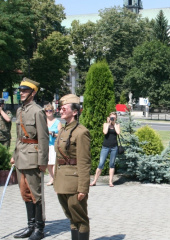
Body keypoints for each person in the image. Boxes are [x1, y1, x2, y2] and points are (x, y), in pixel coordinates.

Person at [10, 78, 49, 240]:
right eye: (20, 91)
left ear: (33, 93)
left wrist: (42, 161)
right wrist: (14, 155)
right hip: (21, 157)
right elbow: (19, 137)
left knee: (36, 194)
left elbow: (43, 138)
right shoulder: (20, 111)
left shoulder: (37, 111)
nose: (21, 93)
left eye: (25, 91)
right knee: (25, 193)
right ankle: (30, 226)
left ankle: (39, 229)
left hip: (33, 158)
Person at [53, 94, 91, 240]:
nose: (61, 110)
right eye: (60, 108)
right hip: (62, 181)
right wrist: (56, 181)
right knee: (71, 218)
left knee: (80, 219)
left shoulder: (81, 132)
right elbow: (58, 159)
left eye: (64, 108)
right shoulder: (63, 130)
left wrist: (83, 187)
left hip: (74, 182)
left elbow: (84, 162)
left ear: (75, 112)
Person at [90, 112, 121, 187]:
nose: (112, 119)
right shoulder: (105, 124)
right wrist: (108, 123)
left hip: (114, 147)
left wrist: (114, 124)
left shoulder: (117, 125)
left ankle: (110, 182)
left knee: (112, 164)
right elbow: (105, 132)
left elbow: (118, 132)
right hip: (105, 147)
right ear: (109, 117)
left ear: (116, 118)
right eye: (111, 117)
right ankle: (94, 181)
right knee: (101, 164)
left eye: (114, 117)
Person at [44, 103, 62, 186]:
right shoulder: (43, 122)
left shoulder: (57, 122)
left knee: (54, 162)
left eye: (50, 110)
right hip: (46, 144)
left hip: (54, 144)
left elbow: (62, 134)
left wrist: (53, 134)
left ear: (53, 111)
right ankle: (51, 178)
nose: (48, 112)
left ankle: (55, 179)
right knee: (48, 163)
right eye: (47, 111)